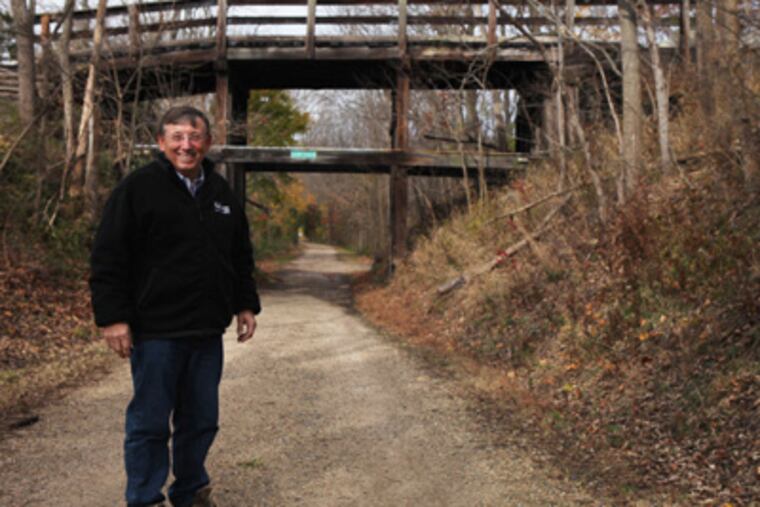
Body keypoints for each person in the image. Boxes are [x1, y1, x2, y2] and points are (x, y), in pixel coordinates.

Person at [90, 106, 261, 507]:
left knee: (200, 420)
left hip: (205, 332)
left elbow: (239, 256)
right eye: (178, 137)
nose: (187, 145)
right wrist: (113, 317)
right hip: (155, 333)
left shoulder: (221, 194)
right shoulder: (138, 188)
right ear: (162, 142)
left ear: (208, 142)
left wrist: (245, 305)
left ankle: (190, 490)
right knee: (150, 423)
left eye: (195, 137)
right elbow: (107, 257)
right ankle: (145, 497)